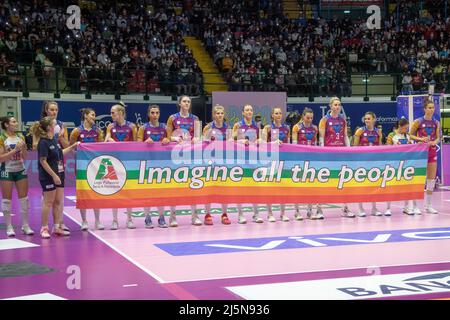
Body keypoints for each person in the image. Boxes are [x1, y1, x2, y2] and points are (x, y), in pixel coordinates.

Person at [31, 117, 78, 238]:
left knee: (57, 202)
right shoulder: (43, 142)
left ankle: (57, 227)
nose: (57, 125)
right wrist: (54, 175)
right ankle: (44, 228)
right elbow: (43, 161)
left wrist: (72, 146)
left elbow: (60, 153)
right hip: (48, 176)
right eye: (54, 124)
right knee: (48, 202)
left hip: (60, 174)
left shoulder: (54, 140)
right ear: (49, 127)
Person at [166, 95, 202, 226]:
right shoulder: (173, 118)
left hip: (191, 155)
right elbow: (168, 136)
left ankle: (195, 216)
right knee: (175, 185)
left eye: (188, 102)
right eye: (184, 101)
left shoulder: (195, 119)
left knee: (193, 185)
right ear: (180, 104)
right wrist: (175, 139)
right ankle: (172, 216)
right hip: (176, 156)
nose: (187, 103)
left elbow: (198, 136)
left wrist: (196, 139)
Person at [319, 97, 355, 218]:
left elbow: (345, 136)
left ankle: (345, 208)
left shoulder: (343, 120)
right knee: (324, 181)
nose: (337, 106)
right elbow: (321, 138)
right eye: (335, 104)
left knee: (343, 181)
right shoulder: (324, 120)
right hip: (329, 154)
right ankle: (319, 209)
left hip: (341, 153)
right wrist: (323, 152)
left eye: (339, 104)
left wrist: (349, 149)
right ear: (330, 106)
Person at [69, 108, 104, 230]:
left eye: (95, 115)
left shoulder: (98, 131)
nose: (94, 117)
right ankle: (84, 221)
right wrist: (80, 153)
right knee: (82, 194)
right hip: (81, 167)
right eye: (92, 115)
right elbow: (72, 149)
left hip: (95, 167)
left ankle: (98, 221)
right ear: (85, 116)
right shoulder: (76, 131)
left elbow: (101, 149)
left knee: (96, 193)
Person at [104, 102, 137, 229]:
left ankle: (130, 219)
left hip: (128, 163)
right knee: (115, 191)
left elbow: (136, 144)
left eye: (113, 112)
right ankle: (114, 220)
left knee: (128, 192)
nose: (111, 114)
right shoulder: (110, 127)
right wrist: (109, 139)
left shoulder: (132, 126)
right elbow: (106, 140)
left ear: (121, 113)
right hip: (114, 163)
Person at [137, 104, 170, 228]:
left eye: (157, 113)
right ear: (148, 114)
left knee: (161, 193)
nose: (155, 115)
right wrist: (145, 143)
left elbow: (171, 143)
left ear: (159, 114)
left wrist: (168, 141)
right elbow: (137, 144)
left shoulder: (165, 128)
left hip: (162, 165)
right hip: (147, 164)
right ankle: (147, 218)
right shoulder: (143, 128)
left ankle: (161, 217)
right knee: (148, 193)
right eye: (152, 112)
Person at [0, 116, 33, 236]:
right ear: (6, 125)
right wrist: (15, 150)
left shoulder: (21, 137)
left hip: (20, 169)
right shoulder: (1, 138)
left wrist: (23, 147)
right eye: (13, 122)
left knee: (24, 199)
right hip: (7, 170)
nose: (16, 123)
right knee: (6, 200)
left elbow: (25, 157)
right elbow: (1, 158)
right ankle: (9, 226)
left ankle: (25, 226)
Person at [232, 104, 263, 223]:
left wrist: (260, 140)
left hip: (254, 159)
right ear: (243, 113)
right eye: (247, 110)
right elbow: (230, 140)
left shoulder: (257, 126)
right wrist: (241, 141)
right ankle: (241, 215)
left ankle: (256, 214)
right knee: (241, 187)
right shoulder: (237, 125)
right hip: (240, 159)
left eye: (251, 110)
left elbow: (261, 140)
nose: (249, 112)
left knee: (255, 187)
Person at [202, 104, 232, 225]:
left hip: (224, 161)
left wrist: (230, 141)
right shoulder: (208, 127)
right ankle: (207, 214)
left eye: (221, 113)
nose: (219, 115)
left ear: (224, 114)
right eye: (217, 113)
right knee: (209, 187)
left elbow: (231, 144)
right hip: (210, 161)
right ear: (214, 115)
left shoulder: (228, 127)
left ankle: (224, 214)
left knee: (224, 188)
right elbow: (202, 144)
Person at [409, 99, 441, 214]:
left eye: (433, 108)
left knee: (431, 180)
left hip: (432, 152)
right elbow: (410, 135)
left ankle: (428, 205)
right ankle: (415, 206)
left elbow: (438, 137)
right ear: (425, 109)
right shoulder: (418, 121)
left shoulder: (436, 122)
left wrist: (435, 142)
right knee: (419, 180)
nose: (431, 110)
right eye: (429, 107)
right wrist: (421, 139)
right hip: (420, 153)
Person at [262, 107, 290, 222]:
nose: (278, 115)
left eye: (280, 113)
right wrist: (273, 143)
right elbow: (263, 143)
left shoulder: (287, 128)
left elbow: (289, 144)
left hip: (284, 160)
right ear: (272, 115)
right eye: (276, 113)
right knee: (270, 187)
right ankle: (270, 213)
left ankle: (283, 213)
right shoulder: (267, 128)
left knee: (283, 187)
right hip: (271, 160)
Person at [292, 107, 321, 220]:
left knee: (311, 186)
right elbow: (294, 145)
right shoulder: (296, 127)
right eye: (307, 117)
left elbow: (316, 144)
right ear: (303, 117)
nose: (309, 119)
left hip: (312, 160)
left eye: (311, 118)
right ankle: (297, 211)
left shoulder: (315, 128)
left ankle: (310, 211)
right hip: (300, 160)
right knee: (298, 186)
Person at [353, 112, 383, 217]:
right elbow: (355, 147)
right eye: (365, 119)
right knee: (361, 185)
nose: (366, 120)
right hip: (362, 162)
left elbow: (380, 147)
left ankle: (374, 208)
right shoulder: (360, 131)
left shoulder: (378, 132)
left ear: (374, 119)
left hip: (374, 162)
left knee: (373, 185)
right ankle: (360, 208)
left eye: (369, 119)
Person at [386, 117, 414, 215]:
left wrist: (410, 144)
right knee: (390, 186)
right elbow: (387, 149)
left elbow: (411, 147)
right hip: (394, 164)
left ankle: (406, 207)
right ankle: (388, 208)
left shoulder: (407, 135)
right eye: (405, 128)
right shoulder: (391, 135)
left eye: (407, 128)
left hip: (406, 164)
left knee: (406, 186)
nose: (406, 130)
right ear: (399, 126)